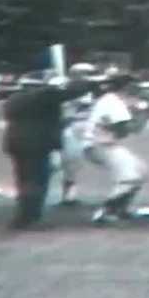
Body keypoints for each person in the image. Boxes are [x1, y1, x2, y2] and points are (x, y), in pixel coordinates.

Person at [2, 76, 94, 230]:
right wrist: (84, 83)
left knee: (24, 180)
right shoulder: (44, 96)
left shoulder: (14, 99)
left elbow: (38, 118)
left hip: (17, 144)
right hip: (36, 146)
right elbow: (73, 92)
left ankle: (23, 216)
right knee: (37, 182)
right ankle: (29, 218)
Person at [86, 70, 149, 224]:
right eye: (133, 84)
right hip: (99, 144)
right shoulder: (112, 102)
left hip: (105, 144)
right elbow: (129, 129)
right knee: (130, 177)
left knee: (141, 172)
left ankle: (120, 209)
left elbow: (130, 129)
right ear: (125, 86)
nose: (137, 87)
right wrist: (143, 112)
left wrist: (140, 112)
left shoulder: (115, 99)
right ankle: (104, 212)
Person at [54, 63, 100, 205]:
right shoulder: (61, 86)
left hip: (79, 129)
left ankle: (69, 195)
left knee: (73, 161)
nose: (89, 77)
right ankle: (37, 191)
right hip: (62, 128)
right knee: (58, 163)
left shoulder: (91, 90)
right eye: (85, 74)